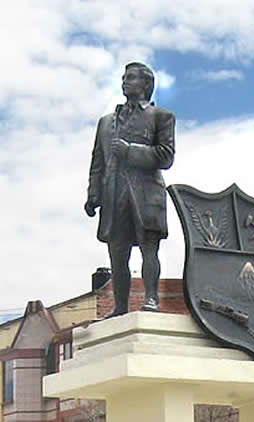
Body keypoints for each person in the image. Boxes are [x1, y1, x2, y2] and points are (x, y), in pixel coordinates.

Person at [85, 62, 175, 318]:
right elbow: (97, 162)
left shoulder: (161, 117)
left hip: (146, 193)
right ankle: (120, 307)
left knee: (149, 248)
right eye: (124, 77)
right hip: (114, 193)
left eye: (132, 78)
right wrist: (93, 194)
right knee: (117, 253)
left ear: (146, 84)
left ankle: (150, 299)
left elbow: (166, 156)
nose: (125, 81)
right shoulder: (106, 123)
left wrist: (129, 151)